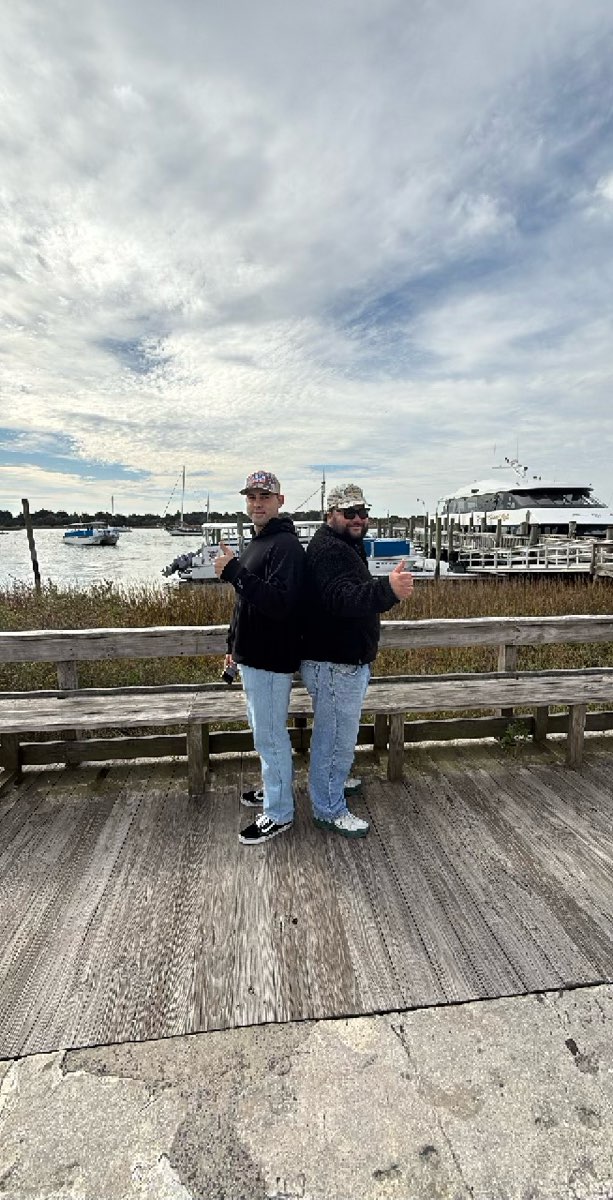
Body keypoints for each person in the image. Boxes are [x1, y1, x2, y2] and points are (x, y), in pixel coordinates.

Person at [301, 483, 414, 838]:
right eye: (349, 513)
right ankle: (328, 808)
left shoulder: (346, 545)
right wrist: (388, 591)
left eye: (363, 513)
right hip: (334, 664)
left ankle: (333, 782)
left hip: (342, 663)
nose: (358, 519)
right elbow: (342, 599)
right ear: (330, 514)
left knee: (337, 737)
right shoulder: (330, 550)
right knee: (334, 739)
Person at [215, 470, 305, 845]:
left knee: (270, 738)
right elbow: (245, 605)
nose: (257, 503)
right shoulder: (258, 542)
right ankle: (275, 791)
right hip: (251, 657)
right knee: (262, 734)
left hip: (271, 659)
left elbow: (281, 605)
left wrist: (234, 571)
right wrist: (232, 646)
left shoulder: (285, 546)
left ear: (280, 501)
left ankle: (280, 813)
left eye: (264, 497)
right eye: (251, 497)